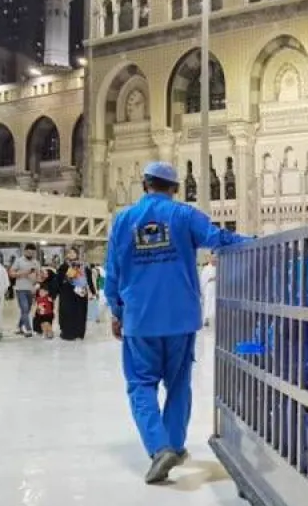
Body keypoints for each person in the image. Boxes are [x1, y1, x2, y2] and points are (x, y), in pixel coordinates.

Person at [104, 161, 247, 485]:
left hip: (140, 318)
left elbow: (112, 272)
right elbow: (218, 238)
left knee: (141, 384)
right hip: (181, 316)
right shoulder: (184, 216)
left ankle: (159, 448)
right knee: (178, 383)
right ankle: (175, 445)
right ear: (175, 188)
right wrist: (253, 241)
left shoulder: (124, 221)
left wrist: (116, 310)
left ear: (144, 184)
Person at [53, 247, 95, 341]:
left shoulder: (83, 266)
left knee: (80, 313)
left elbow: (89, 279)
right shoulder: (63, 266)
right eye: (69, 253)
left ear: (77, 254)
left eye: (73, 252)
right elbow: (58, 280)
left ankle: (79, 333)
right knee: (67, 313)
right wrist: (54, 293)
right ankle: (68, 333)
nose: (71, 254)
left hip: (80, 292)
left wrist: (93, 291)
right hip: (67, 293)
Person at [9, 244, 41, 337]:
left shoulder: (36, 263)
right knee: (25, 308)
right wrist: (24, 273)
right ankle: (28, 329)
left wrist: (37, 285)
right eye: (29, 252)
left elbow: (39, 275)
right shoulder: (18, 261)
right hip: (20, 289)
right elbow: (11, 273)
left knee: (26, 311)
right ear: (25, 251)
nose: (31, 254)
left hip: (31, 290)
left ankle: (19, 327)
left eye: (33, 252)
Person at [32, 271, 56, 338]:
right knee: (42, 324)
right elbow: (35, 302)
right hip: (40, 313)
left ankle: (50, 333)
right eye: (40, 292)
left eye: (46, 273)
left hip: (48, 313)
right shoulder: (38, 297)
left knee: (47, 323)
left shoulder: (48, 296)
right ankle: (45, 333)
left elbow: (52, 302)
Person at [200, 254, 217, 327]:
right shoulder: (206, 268)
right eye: (213, 259)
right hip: (209, 288)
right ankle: (206, 320)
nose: (214, 260)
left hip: (217, 288)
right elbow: (203, 279)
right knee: (208, 303)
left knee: (216, 303)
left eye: (215, 259)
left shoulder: (219, 267)